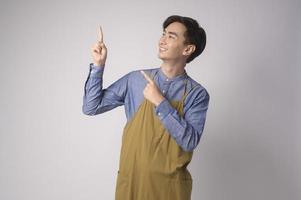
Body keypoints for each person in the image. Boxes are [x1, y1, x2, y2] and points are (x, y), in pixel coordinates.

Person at [82, 15, 210, 200]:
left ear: (188, 49)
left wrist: (160, 101)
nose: (162, 40)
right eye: (164, 34)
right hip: (132, 184)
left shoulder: (197, 94)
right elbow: (91, 106)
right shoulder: (135, 80)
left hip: (169, 190)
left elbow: (190, 141)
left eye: (171, 36)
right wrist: (98, 65)